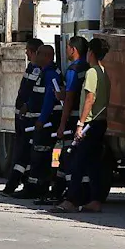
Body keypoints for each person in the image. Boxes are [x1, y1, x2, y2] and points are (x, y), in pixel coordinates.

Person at [52, 38, 112, 214]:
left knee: (77, 161)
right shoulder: (103, 72)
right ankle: (95, 200)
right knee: (93, 164)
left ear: (90, 53)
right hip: (100, 123)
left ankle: (71, 200)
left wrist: (80, 124)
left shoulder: (92, 72)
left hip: (90, 124)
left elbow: (89, 98)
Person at [41, 36, 90, 206]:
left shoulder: (73, 70)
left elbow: (68, 99)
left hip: (74, 119)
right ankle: (80, 193)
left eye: (68, 47)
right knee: (80, 157)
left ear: (73, 50)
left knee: (68, 156)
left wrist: (62, 124)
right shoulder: (88, 67)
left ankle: (68, 194)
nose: (67, 50)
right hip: (87, 119)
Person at [1, 38, 44, 197]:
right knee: (22, 150)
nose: (25, 52)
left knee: (23, 152)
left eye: (28, 50)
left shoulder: (37, 70)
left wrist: (25, 108)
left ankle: (12, 185)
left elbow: (32, 94)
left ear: (33, 52)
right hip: (23, 116)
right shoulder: (32, 67)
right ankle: (23, 182)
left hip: (29, 118)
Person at [21, 45, 62, 199]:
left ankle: (40, 187)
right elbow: (37, 95)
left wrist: (41, 120)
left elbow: (49, 100)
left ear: (46, 56)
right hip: (40, 123)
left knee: (42, 157)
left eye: (37, 54)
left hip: (46, 125)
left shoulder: (51, 75)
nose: (34, 56)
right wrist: (27, 106)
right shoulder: (43, 73)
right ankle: (34, 186)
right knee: (36, 155)